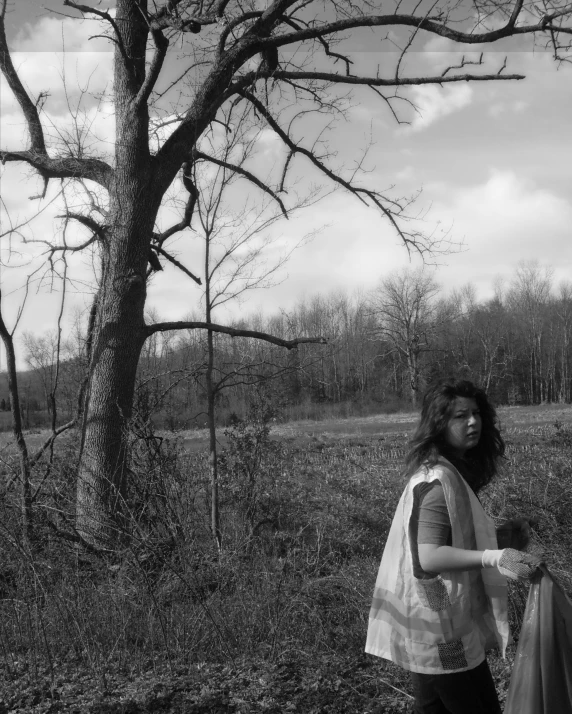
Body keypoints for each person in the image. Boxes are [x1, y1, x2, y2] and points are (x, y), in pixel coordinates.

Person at [365, 379, 543, 714]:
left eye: (476, 413)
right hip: (438, 635)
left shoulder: (452, 472)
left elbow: (456, 537)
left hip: (449, 627)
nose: (473, 422)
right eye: (461, 416)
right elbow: (429, 556)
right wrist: (495, 556)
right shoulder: (435, 482)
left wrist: (502, 537)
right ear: (439, 423)